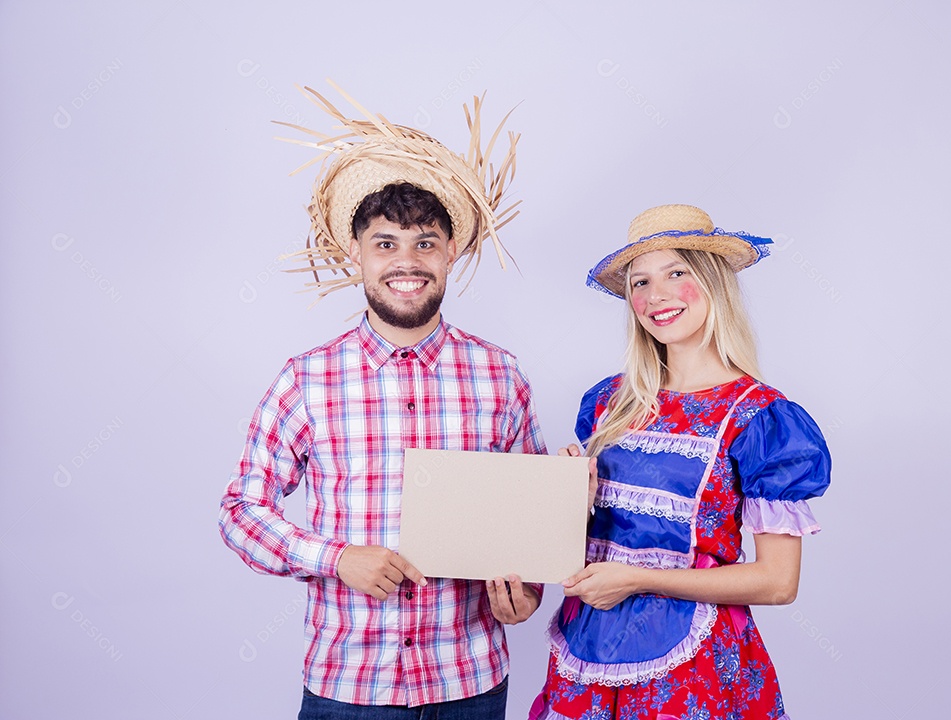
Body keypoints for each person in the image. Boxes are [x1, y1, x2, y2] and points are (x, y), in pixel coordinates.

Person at [219, 84, 545, 720]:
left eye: (425, 242)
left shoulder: (500, 376)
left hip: (470, 683)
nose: (407, 262)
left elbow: (529, 520)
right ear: (356, 254)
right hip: (350, 688)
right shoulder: (307, 379)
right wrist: (336, 558)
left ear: (451, 251)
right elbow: (240, 512)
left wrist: (525, 593)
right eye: (385, 243)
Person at [532, 204, 832, 720]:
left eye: (676, 273)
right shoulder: (609, 403)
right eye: (641, 282)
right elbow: (587, 546)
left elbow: (778, 581)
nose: (656, 296)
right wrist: (574, 503)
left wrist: (639, 579)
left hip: (694, 666)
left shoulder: (759, 418)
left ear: (714, 283)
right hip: (589, 648)